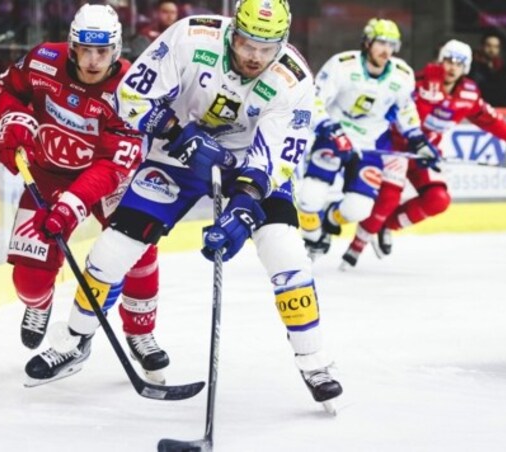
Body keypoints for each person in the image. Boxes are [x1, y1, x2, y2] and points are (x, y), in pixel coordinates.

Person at [26, 0, 343, 406]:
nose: (254, 56)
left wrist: (243, 210)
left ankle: (314, 361)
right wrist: (179, 134)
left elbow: (276, 158)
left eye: (266, 48)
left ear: (282, 41)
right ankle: (72, 340)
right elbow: (132, 97)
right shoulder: (192, 36)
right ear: (233, 31)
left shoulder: (293, 79)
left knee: (285, 253)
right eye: (247, 44)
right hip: (176, 155)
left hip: (249, 165)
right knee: (113, 249)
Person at [0, 4, 169, 385]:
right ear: (72, 47)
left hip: (107, 181)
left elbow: (113, 164)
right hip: (47, 173)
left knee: (138, 249)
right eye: (85, 50)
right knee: (28, 282)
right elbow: (9, 88)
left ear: (116, 49)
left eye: (102, 52)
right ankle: (39, 305)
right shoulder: (42, 61)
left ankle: (140, 332)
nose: (92, 61)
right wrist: (14, 123)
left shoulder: (131, 89)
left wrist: (73, 205)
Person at [346, 40, 506, 265]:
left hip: (427, 155)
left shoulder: (468, 93)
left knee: (438, 199)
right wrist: (428, 97)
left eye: (459, 63)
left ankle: (386, 226)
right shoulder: (418, 81)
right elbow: (407, 117)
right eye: (449, 60)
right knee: (389, 196)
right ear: (441, 60)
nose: (452, 67)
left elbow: (489, 120)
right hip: (395, 146)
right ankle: (354, 249)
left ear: (465, 67)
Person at [295, 18, 438, 267]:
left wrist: (418, 140)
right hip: (335, 137)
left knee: (358, 209)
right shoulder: (342, 65)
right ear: (367, 42)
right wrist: (327, 126)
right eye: (381, 43)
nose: (386, 50)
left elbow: (406, 111)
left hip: (371, 144)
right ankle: (314, 239)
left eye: (392, 44)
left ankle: (329, 219)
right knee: (308, 197)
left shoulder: (401, 75)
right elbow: (314, 100)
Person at [469, 33, 506, 107]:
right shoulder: (472, 65)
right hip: (477, 109)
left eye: (496, 47)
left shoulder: (501, 67)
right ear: (482, 46)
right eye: (489, 46)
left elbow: (505, 93)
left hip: (499, 110)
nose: (492, 50)